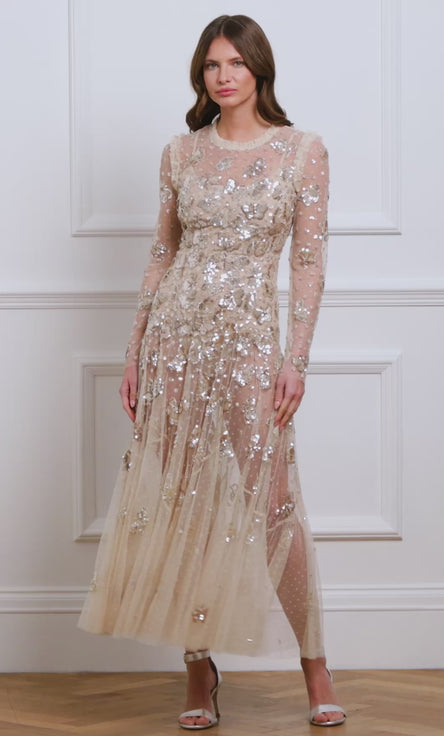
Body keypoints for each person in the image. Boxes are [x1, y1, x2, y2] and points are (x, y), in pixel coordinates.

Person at [77, 14, 346, 729]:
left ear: (259, 68)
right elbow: (161, 254)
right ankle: (197, 670)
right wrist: (135, 350)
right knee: (181, 504)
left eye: (235, 63)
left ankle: (316, 666)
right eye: (211, 65)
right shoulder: (181, 152)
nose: (223, 76)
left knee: (273, 504)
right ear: (201, 75)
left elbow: (309, 263)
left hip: (252, 345)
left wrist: (296, 359)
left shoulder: (303, 151)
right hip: (174, 340)